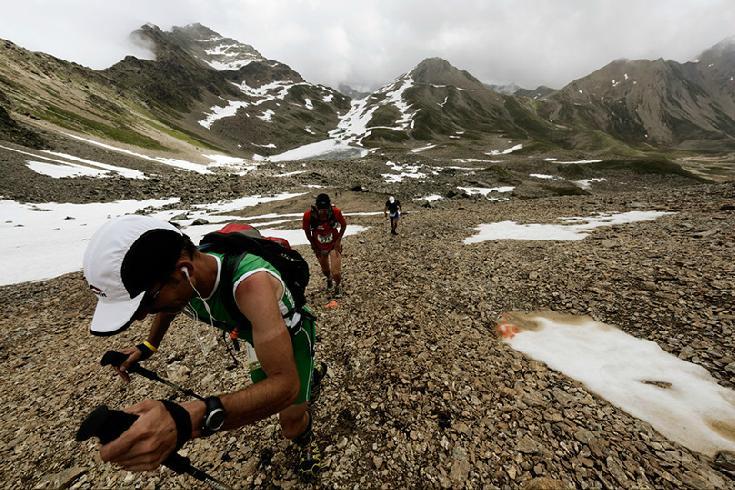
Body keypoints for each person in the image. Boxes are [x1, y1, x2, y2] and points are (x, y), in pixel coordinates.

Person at [82, 215, 324, 478]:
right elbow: (171, 307)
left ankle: (306, 439)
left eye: (146, 303)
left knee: (290, 425)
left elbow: (285, 386)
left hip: (294, 333)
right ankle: (310, 382)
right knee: (268, 400)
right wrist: (148, 345)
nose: (142, 316)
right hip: (256, 333)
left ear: (185, 270)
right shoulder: (185, 279)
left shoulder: (252, 286)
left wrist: (190, 419)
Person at [302, 193, 347, 297]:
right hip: (319, 246)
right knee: (325, 270)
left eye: (325, 209)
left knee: (335, 271)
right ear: (316, 207)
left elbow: (344, 225)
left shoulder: (336, 212)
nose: (323, 212)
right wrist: (313, 245)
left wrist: (338, 241)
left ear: (329, 207)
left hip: (333, 244)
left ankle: (338, 286)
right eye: (320, 209)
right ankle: (328, 279)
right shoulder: (308, 216)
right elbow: (307, 231)